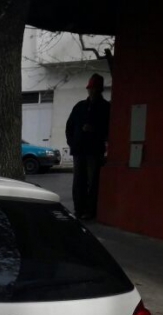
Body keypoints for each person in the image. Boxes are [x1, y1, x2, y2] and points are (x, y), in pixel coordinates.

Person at [65, 73, 111, 221]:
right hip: (79, 150)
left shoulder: (105, 108)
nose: (91, 92)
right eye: (90, 89)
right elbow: (69, 127)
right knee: (79, 181)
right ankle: (79, 209)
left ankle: (90, 211)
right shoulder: (80, 107)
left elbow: (109, 130)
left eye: (94, 89)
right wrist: (73, 143)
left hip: (94, 151)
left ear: (99, 90)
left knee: (93, 182)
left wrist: (95, 131)